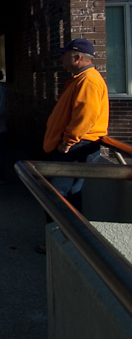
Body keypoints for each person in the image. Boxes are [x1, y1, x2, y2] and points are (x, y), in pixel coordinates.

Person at [42, 38, 109, 212]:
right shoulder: (83, 79)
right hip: (79, 144)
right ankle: (68, 237)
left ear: (76, 57)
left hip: (77, 146)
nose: (61, 59)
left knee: (56, 196)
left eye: (64, 55)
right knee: (71, 193)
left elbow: (85, 116)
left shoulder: (88, 81)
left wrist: (67, 142)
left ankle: (60, 235)